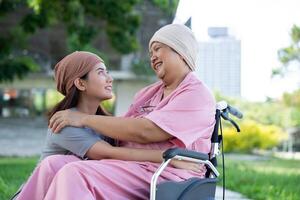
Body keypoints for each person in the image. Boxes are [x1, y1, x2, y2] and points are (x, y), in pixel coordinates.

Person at [17, 24, 216, 200]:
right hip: (133, 166)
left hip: (168, 172)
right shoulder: (147, 93)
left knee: (76, 173)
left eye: (157, 49)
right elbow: (122, 133)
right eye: (150, 53)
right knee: (53, 164)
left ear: (180, 51)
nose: (152, 57)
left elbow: (146, 131)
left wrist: (84, 119)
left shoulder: (196, 93)